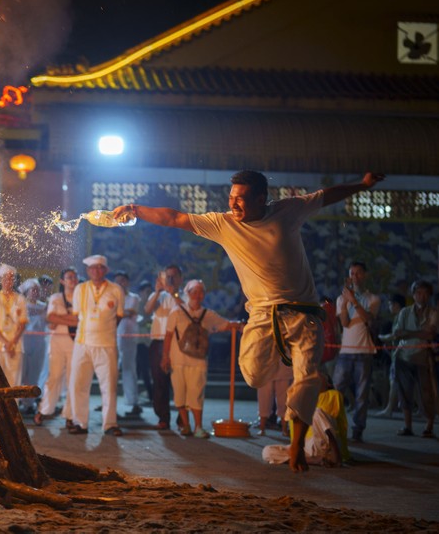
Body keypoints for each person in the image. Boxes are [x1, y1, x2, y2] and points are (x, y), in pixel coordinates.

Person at [114, 170, 385, 472]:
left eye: (240, 199)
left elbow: (327, 196)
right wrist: (134, 209)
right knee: (254, 376)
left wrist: (361, 185)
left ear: (260, 199)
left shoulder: (288, 211)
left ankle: (296, 444)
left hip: (304, 313)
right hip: (261, 315)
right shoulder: (223, 224)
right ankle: (288, 371)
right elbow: (174, 218)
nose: (233, 205)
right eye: (231, 199)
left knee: (307, 378)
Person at [163, 279, 241, 438]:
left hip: (198, 361)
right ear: (187, 293)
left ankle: (198, 426)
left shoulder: (208, 314)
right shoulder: (176, 311)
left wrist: (240, 326)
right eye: (194, 292)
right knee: (180, 393)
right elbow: (168, 335)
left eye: (201, 292)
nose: (198, 296)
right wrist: (165, 356)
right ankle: (185, 425)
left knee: (196, 393)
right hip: (178, 359)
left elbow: (225, 324)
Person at [67, 254, 125, 436]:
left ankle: (110, 424)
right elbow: (76, 316)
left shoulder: (116, 290)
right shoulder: (80, 289)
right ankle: (79, 422)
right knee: (78, 384)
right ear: (88, 271)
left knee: (109, 386)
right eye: (93, 268)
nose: (96, 271)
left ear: (106, 270)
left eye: (100, 267)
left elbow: (119, 316)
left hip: (106, 344)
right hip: (82, 343)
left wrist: (105, 331)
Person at [333, 261, 381, 443]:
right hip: (345, 352)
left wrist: (354, 301)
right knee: (337, 391)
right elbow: (344, 323)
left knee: (361, 394)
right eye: (352, 274)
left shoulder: (373, 299)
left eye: (359, 273)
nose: (355, 277)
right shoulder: (340, 299)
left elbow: (368, 319)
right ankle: (334, 426)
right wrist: (346, 302)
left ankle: (358, 429)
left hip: (365, 352)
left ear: (365, 275)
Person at [263, 371, 348, 468]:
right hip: (304, 446)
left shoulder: (333, 395)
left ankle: (335, 456)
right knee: (267, 451)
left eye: (317, 378)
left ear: (328, 384)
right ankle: (314, 460)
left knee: (316, 412)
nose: (313, 380)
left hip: (324, 442)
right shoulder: (301, 398)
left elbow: (325, 420)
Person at [391, 280, 437, 438]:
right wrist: (419, 333)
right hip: (403, 357)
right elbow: (397, 333)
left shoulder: (433, 313)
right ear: (413, 294)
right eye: (418, 293)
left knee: (426, 392)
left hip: (423, 358)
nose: (421, 296)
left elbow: (430, 334)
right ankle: (407, 425)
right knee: (404, 392)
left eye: (424, 293)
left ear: (429, 295)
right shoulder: (405, 312)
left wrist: (408, 332)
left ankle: (429, 425)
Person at [35, 267, 78, 427]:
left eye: (75, 277)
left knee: (73, 379)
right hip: (57, 343)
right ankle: (44, 410)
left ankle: (70, 416)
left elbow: (82, 318)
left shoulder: (81, 297)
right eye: (69, 277)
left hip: (76, 343)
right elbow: (50, 318)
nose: (72, 280)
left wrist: (61, 319)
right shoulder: (56, 297)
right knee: (54, 377)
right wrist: (74, 320)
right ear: (62, 281)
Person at [144, 264, 184, 430]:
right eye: (167, 276)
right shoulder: (156, 295)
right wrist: (159, 291)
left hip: (178, 342)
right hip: (158, 341)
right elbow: (147, 310)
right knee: (159, 381)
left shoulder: (184, 294)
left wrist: (172, 292)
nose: (170, 279)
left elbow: (185, 309)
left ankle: (183, 419)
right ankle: (163, 418)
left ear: (180, 279)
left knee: (180, 381)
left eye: (174, 276)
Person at [0, 264, 27, 388]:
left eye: (11, 278)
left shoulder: (20, 299)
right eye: (6, 278)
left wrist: (12, 343)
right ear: (0, 280)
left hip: (15, 346)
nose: (8, 281)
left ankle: (13, 406)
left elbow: (23, 323)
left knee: (13, 381)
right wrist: (5, 342)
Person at [114, 271, 144, 417]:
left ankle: (133, 403)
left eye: (123, 280)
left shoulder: (133, 298)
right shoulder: (112, 297)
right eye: (117, 281)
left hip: (128, 338)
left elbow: (129, 312)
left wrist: (112, 312)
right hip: (112, 337)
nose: (120, 283)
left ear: (127, 282)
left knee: (128, 369)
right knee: (110, 371)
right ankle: (109, 403)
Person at [18, 278, 47, 414]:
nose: (35, 293)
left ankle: (29, 403)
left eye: (37, 290)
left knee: (35, 372)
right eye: (32, 290)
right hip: (24, 340)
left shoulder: (44, 306)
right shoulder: (21, 305)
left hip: (39, 342)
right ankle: (19, 400)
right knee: (22, 371)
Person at [375, 293, 407, 418]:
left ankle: (389, 408)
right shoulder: (400, 316)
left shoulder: (400, 316)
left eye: (390, 304)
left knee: (393, 381)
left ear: (396, 305)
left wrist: (382, 337)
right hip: (400, 353)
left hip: (401, 354)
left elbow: (396, 335)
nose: (389, 306)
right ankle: (421, 409)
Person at [257, 361, 293, 436]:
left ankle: (284, 429)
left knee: (284, 401)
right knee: (264, 400)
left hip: (284, 367)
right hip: (265, 368)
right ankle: (262, 428)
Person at [134, 280, 154, 408]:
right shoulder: (138, 305)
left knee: (147, 370)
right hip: (140, 341)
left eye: (150, 292)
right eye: (147, 292)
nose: (149, 294)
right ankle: (141, 396)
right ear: (141, 292)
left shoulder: (154, 304)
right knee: (141, 370)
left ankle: (150, 394)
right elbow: (139, 321)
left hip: (151, 341)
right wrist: (148, 321)